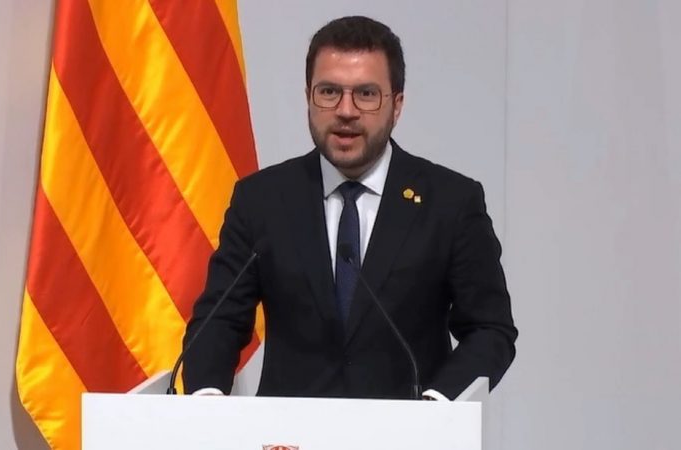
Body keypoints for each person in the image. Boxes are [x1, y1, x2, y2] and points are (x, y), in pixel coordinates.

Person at [182, 15, 517, 400]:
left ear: (397, 105)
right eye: (329, 92)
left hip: (408, 428)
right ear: (308, 98)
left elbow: (490, 330)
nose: (345, 110)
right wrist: (206, 402)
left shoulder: (450, 202)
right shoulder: (262, 200)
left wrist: (437, 405)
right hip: (288, 430)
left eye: (366, 94)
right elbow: (218, 321)